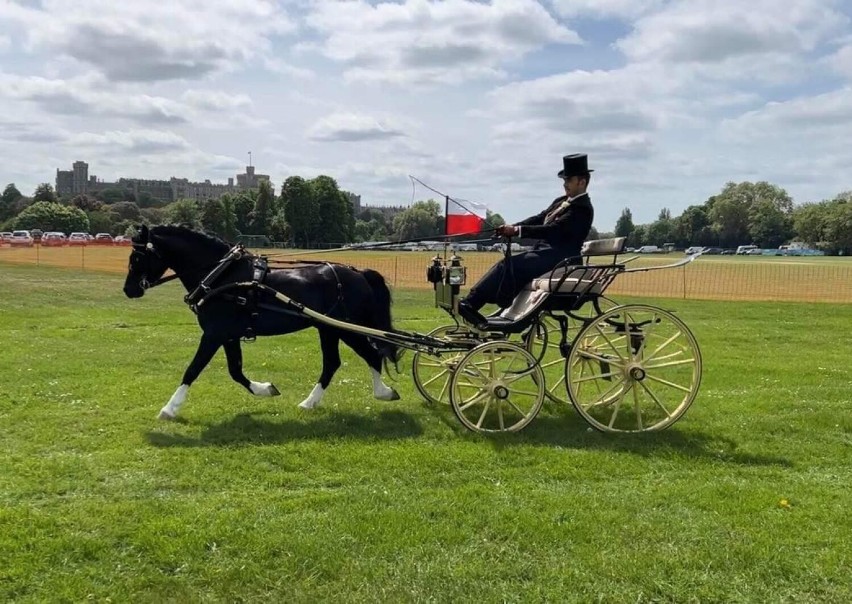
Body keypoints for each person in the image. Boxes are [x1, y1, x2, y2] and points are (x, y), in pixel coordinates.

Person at [457, 153, 595, 328]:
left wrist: (517, 231)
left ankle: (471, 303)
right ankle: (476, 303)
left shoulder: (582, 209)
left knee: (510, 265)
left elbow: (553, 230)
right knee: (506, 265)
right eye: (564, 180)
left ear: (581, 182)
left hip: (561, 258)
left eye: (569, 180)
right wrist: (511, 228)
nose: (564, 184)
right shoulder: (562, 201)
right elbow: (539, 218)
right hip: (546, 254)